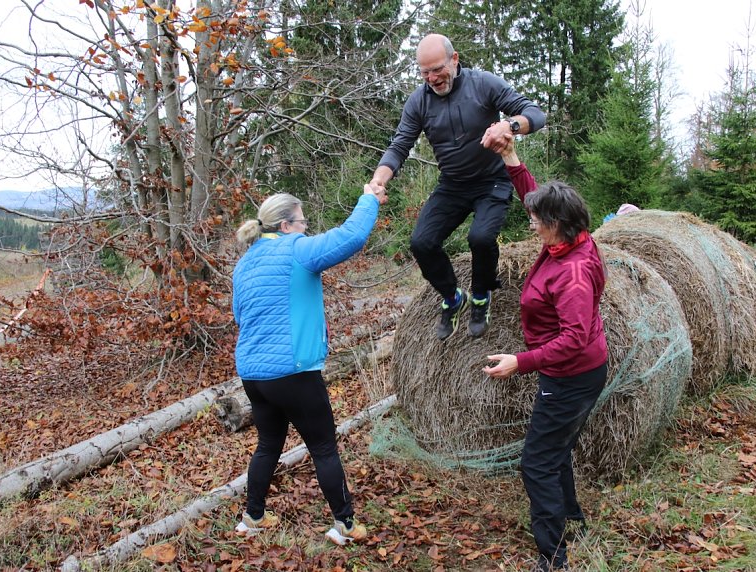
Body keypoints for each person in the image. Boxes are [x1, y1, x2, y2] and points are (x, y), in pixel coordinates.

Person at [231, 183, 387, 546]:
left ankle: (253, 516)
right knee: (323, 447)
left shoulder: (244, 265)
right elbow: (351, 237)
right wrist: (368, 198)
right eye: (303, 221)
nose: (307, 228)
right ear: (286, 225)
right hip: (294, 371)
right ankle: (344, 524)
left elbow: (242, 317)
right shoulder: (296, 250)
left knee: (269, 444)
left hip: (254, 375)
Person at [481, 134, 608, 572]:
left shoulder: (571, 273)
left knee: (535, 463)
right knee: (558, 449)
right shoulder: (570, 240)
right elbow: (533, 198)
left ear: (558, 223)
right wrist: (512, 159)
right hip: (581, 371)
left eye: (538, 220)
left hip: (570, 375)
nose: (530, 223)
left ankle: (553, 558)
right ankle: (572, 516)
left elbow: (573, 337)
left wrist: (522, 361)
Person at [369, 33, 546, 341]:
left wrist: (509, 125)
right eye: (424, 73)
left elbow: (536, 114)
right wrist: (379, 179)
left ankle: (480, 296)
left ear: (454, 59)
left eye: (437, 69)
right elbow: (399, 146)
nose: (432, 78)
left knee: (480, 238)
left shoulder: (484, 84)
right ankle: (453, 298)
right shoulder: (418, 101)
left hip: (492, 180)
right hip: (452, 184)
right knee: (422, 242)